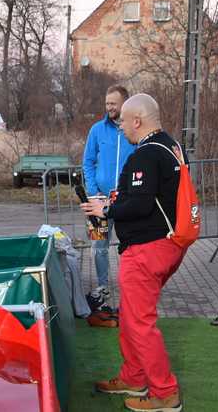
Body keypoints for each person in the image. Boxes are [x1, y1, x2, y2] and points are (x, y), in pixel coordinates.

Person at [81, 94, 185, 412]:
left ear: (137, 121)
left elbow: (139, 205)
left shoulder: (146, 155)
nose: (122, 127)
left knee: (139, 322)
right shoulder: (171, 146)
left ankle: (165, 392)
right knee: (130, 317)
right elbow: (149, 199)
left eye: (124, 121)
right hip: (162, 244)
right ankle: (133, 376)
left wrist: (105, 208)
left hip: (147, 249)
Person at [82, 85, 135, 299]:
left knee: (131, 246)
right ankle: (103, 285)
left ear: (125, 104)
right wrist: (93, 192)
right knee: (98, 246)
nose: (109, 107)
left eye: (113, 103)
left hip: (126, 201)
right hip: (99, 201)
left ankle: (131, 285)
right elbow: (87, 161)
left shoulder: (133, 129)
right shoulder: (97, 130)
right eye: (107, 103)